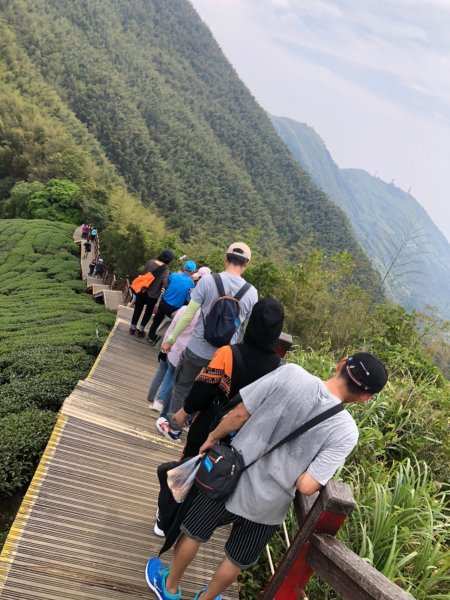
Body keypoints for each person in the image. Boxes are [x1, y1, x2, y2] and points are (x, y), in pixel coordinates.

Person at [146, 352, 388, 600]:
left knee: (195, 532)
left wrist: (212, 437)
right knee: (235, 559)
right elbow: (307, 486)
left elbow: (240, 413)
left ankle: (170, 588)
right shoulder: (346, 431)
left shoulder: (291, 373)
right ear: (365, 397)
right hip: (270, 505)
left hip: (229, 478)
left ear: (341, 364)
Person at [170, 297, 285, 457]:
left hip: (209, 429)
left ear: (251, 322)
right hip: (243, 443)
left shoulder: (228, 353)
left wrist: (185, 411)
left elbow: (202, 390)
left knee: (185, 476)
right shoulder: (280, 369)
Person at [161, 243, 258, 416]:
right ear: (247, 264)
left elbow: (188, 314)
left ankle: (173, 424)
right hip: (223, 356)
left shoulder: (208, 280)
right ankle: (190, 426)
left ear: (225, 258)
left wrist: (171, 340)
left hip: (196, 349)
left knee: (182, 387)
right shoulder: (252, 293)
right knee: (207, 394)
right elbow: (244, 330)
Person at [147, 260, 197, 344]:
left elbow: (166, 285)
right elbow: (188, 298)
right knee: (172, 324)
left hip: (164, 303)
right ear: (193, 271)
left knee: (157, 320)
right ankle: (162, 340)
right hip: (175, 309)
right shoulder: (191, 283)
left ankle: (150, 337)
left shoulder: (173, 275)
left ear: (184, 267)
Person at [129, 250, 174, 337]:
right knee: (148, 312)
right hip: (153, 294)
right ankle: (140, 330)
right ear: (169, 260)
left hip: (142, 290)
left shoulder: (150, 262)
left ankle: (132, 328)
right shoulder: (166, 269)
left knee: (138, 309)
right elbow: (165, 284)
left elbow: (143, 273)